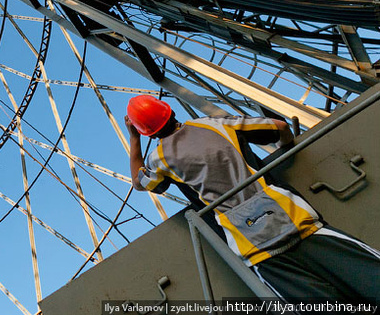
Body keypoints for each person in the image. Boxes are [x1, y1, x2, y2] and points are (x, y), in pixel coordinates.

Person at [125, 94, 380, 304]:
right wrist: (285, 145)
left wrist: (133, 138)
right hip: (295, 220)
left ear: (147, 132)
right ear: (168, 111)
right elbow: (279, 128)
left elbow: (139, 182)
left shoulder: (159, 160)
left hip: (252, 246)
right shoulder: (215, 124)